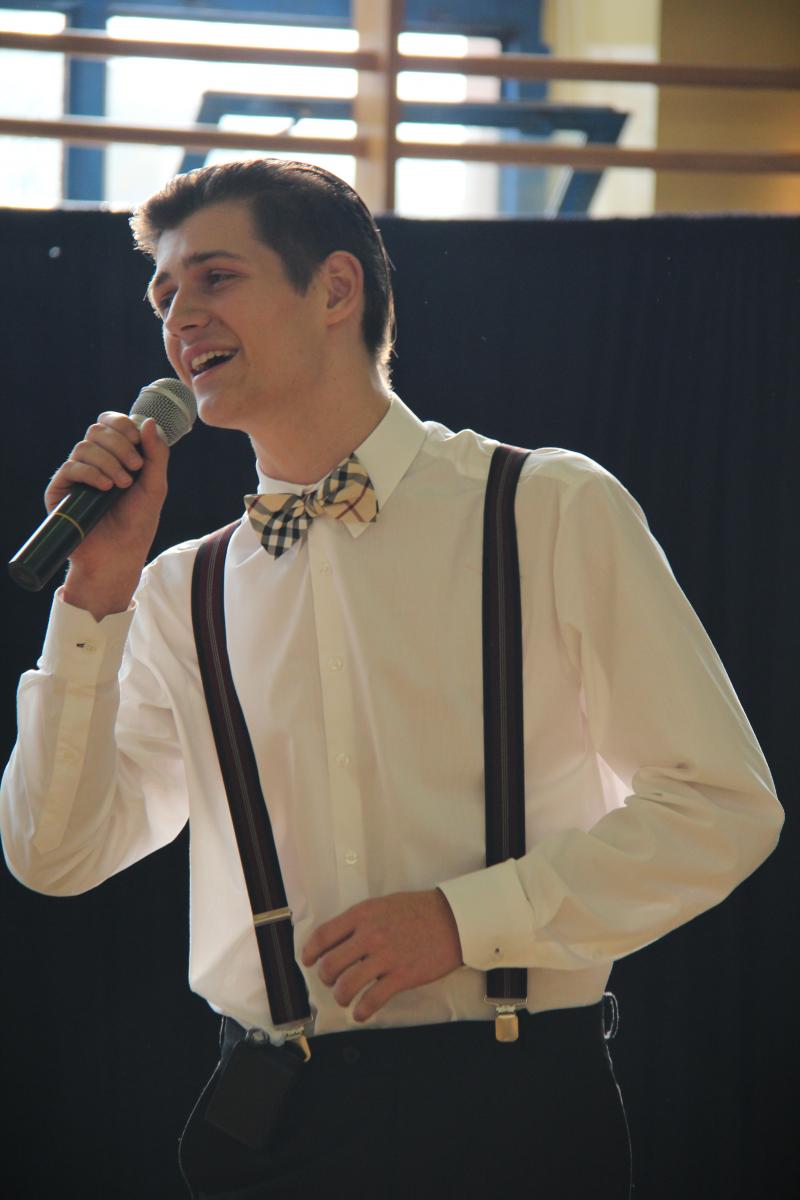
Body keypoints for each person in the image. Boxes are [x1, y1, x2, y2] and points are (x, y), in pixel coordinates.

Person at [0, 158, 783, 1200]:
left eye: (216, 278)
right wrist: (94, 598)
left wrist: (468, 919)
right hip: (271, 1124)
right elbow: (56, 853)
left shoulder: (544, 507)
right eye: (164, 295)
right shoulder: (180, 589)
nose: (179, 317)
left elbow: (719, 807)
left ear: (335, 289)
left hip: (516, 1114)